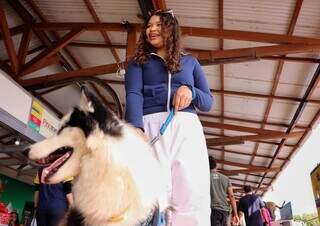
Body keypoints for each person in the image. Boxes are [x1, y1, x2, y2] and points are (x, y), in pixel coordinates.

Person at [124, 9, 213, 226]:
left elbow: (208, 101)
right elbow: (133, 93)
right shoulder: (137, 63)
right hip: (149, 126)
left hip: (186, 129)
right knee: (146, 194)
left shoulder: (190, 62)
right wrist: (136, 127)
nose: (151, 29)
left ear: (171, 30)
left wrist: (190, 90)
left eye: (157, 25)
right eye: (148, 26)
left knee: (191, 193)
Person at [209, 156, 239, 226]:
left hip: (213, 210)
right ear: (216, 166)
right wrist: (235, 214)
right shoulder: (226, 178)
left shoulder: (206, 177)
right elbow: (231, 196)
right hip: (225, 211)